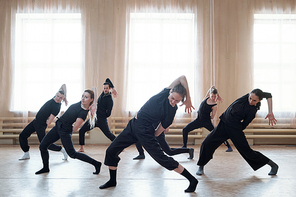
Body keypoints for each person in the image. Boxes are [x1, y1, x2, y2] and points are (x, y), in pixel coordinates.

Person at [99, 75, 198, 193]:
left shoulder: (172, 110)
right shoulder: (164, 93)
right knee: (111, 151)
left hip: (145, 132)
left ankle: (192, 180)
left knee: (162, 159)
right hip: (132, 126)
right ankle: (112, 181)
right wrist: (188, 99)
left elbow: (162, 127)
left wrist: (151, 137)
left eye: (177, 101)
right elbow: (182, 77)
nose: (173, 102)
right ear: (170, 91)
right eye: (172, 98)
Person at [196, 89, 279, 176]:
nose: (251, 101)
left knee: (247, 152)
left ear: (259, 101)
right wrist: (270, 112)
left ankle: (273, 165)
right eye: (250, 98)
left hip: (235, 129)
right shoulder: (245, 98)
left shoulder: (252, 111)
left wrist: (236, 131)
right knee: (206, 143)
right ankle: (201, 166)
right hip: (223, 124)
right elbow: (269, 95)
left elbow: (244, 124)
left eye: (254, 100)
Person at [35, 88, 102, 175]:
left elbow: (74, 129)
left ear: (91, 99)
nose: (83, 98)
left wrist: (66, 127)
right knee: (43, 146)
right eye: (82, 96)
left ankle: (96, 163)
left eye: (86, 97)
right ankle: (46, 168)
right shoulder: (80, 103)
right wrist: (94, 103)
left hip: (64, 131)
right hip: (57, 127)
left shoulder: (83, 113)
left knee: (72, 154)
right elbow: (94, 89)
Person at [19, 84, 68, 160]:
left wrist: (45, 122)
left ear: (62, 99)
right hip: (35, 121)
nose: (58, 98)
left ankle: (62, 150)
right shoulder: (54, 98)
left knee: (44, 143)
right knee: (22, 135)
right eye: (57, 96)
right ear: (56, 94)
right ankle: (26, 153)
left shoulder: (57, 107)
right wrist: (65, 97)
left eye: (61, 98)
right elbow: (63, 86)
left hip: (41, 125)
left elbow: (49, 122)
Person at [182, 86, 233, 152]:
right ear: (209, 94)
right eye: (212, 96)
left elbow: (212, 117)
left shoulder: (214, 105)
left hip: (206, 122)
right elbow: (212, 87)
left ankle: (229, 147)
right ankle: (184, 146)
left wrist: (203, 114)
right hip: (198, 120)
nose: (213, 98)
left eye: (215, 96)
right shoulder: (206, 97)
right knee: (185, 129)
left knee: (218, 133)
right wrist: (200, 112)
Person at [77, 78, 117, 152]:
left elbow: (108, 114)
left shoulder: (109, 100)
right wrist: (114, 88)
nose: (105, 89)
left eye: (107, 88)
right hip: (94, 119)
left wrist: (101, 115)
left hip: (102, 120)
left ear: (109, 88)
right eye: (104, 88)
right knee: (81, 130)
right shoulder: (103, 94)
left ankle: (120, 145)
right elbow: (107, 79)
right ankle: (81, 148)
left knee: (108, 134)